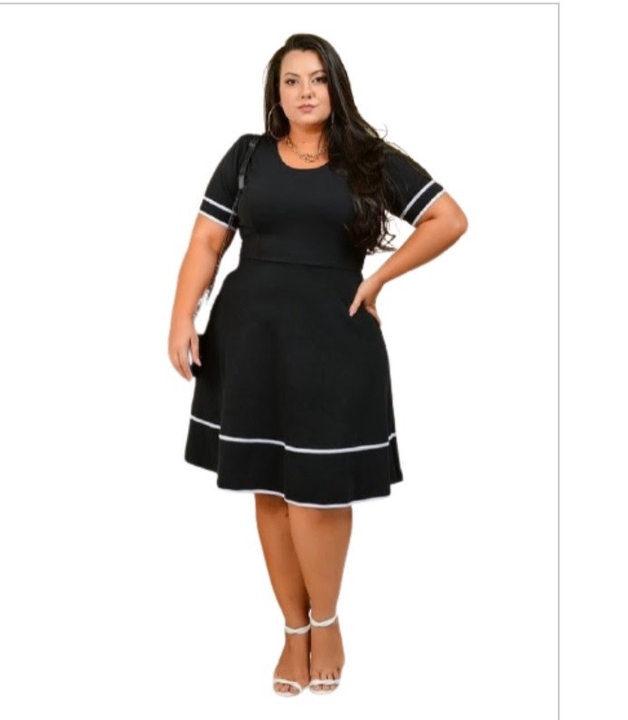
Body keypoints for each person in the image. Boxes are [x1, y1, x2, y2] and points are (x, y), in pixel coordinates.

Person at [168, 33, 468, 697]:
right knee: (269, 489)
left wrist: (380, 278)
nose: (305, 91)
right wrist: (182, 314)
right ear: (275, 93)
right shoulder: (246, 156)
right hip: (250, 338)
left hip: (334, 342)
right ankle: (292, 629)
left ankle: (326, 622)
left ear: (336, 86)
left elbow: (448, 219)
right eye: (291, 80)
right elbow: (207, 240)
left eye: (317, 79)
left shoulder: (368, 159)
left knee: (319, 492)